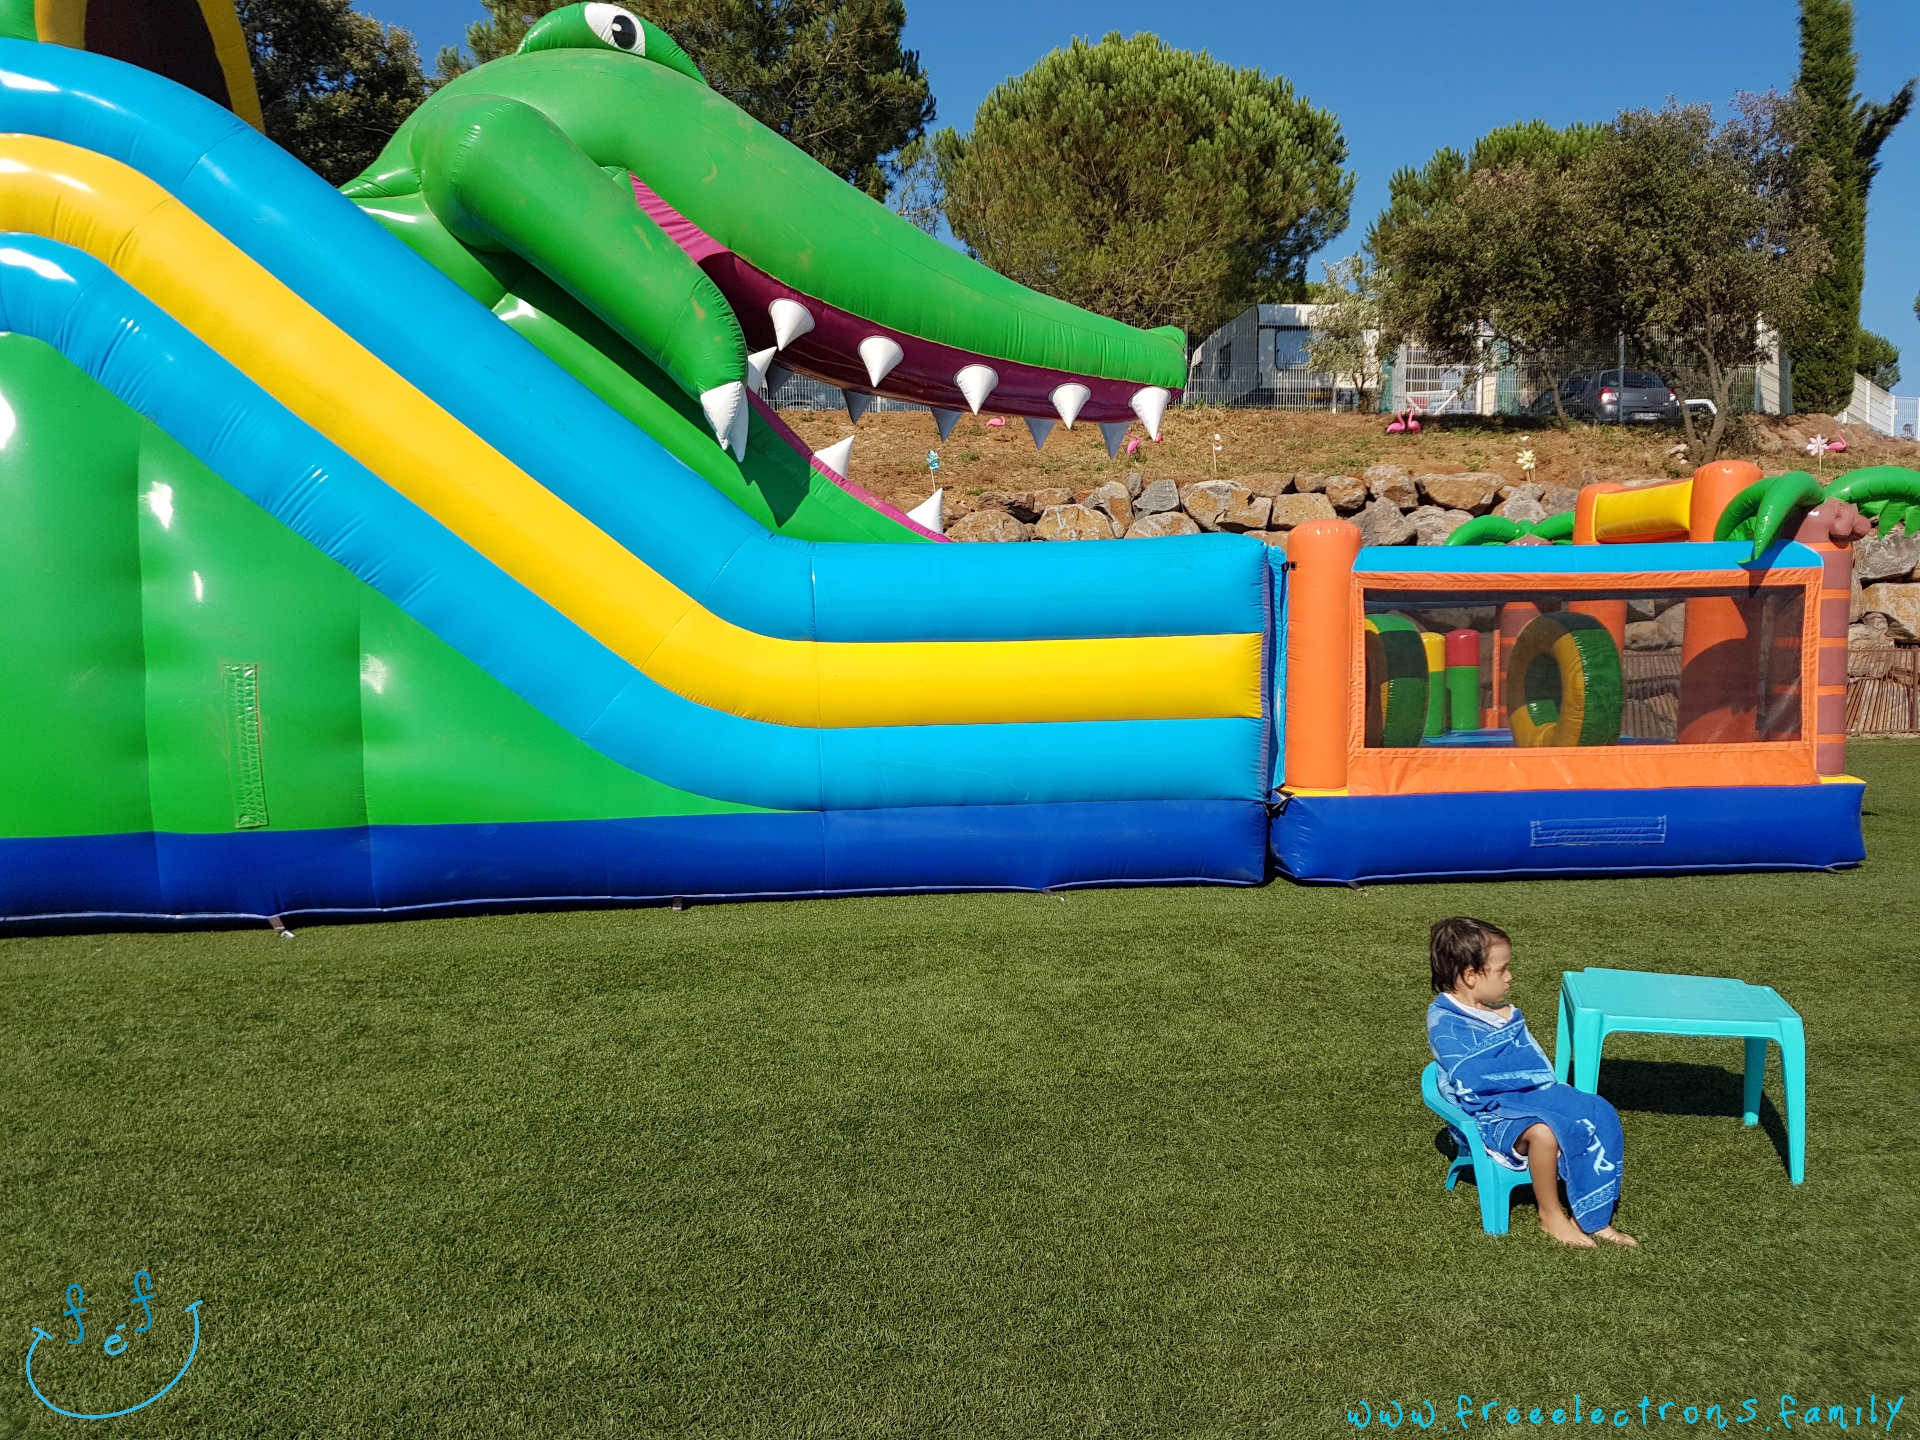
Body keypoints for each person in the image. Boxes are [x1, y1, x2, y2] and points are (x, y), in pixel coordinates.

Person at [1426, 917, 1636, 1248]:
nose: (1509, 977)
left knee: (1595, 1109)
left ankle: (1592, 1217)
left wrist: (1511, 1041)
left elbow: (1538, 1069)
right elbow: (1471, 1079)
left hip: (1524, 1100)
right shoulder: (1445, 1023)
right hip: (1486, 1114)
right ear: (1470, 976)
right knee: (1544, 1131)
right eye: (1502, 970)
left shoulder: (1503, 1015)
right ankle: (1550, 1215)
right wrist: (1511, 1062)